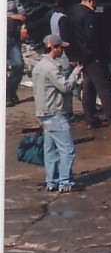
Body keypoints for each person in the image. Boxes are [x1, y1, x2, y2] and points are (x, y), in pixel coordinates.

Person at [32, 35, 84, 193]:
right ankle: (66, 183)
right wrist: (75, 73)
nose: (63, 50)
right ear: (52, 47)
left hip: (44, 112)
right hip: (55, 112)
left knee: (51, 150)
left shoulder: (39, 66)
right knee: (67, 149)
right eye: (61, 47)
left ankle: (52, 181)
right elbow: (65, 87)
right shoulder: (51, 68)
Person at [68, 0, 111, 129]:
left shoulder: (72, 12)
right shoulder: (88, 15)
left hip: (83, 56)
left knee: (88, 87)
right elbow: (91, 37)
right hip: (93, 57)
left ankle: (90, 118)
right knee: (103, 87)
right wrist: (96, 55)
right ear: (90, 0)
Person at [7, 0, 28, 106]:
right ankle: (7, 96)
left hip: (12, 34)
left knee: (18, 65)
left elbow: (22, 13)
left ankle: (10, 91)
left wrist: (24, 27)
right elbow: (16, 16)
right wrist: (11, 16)